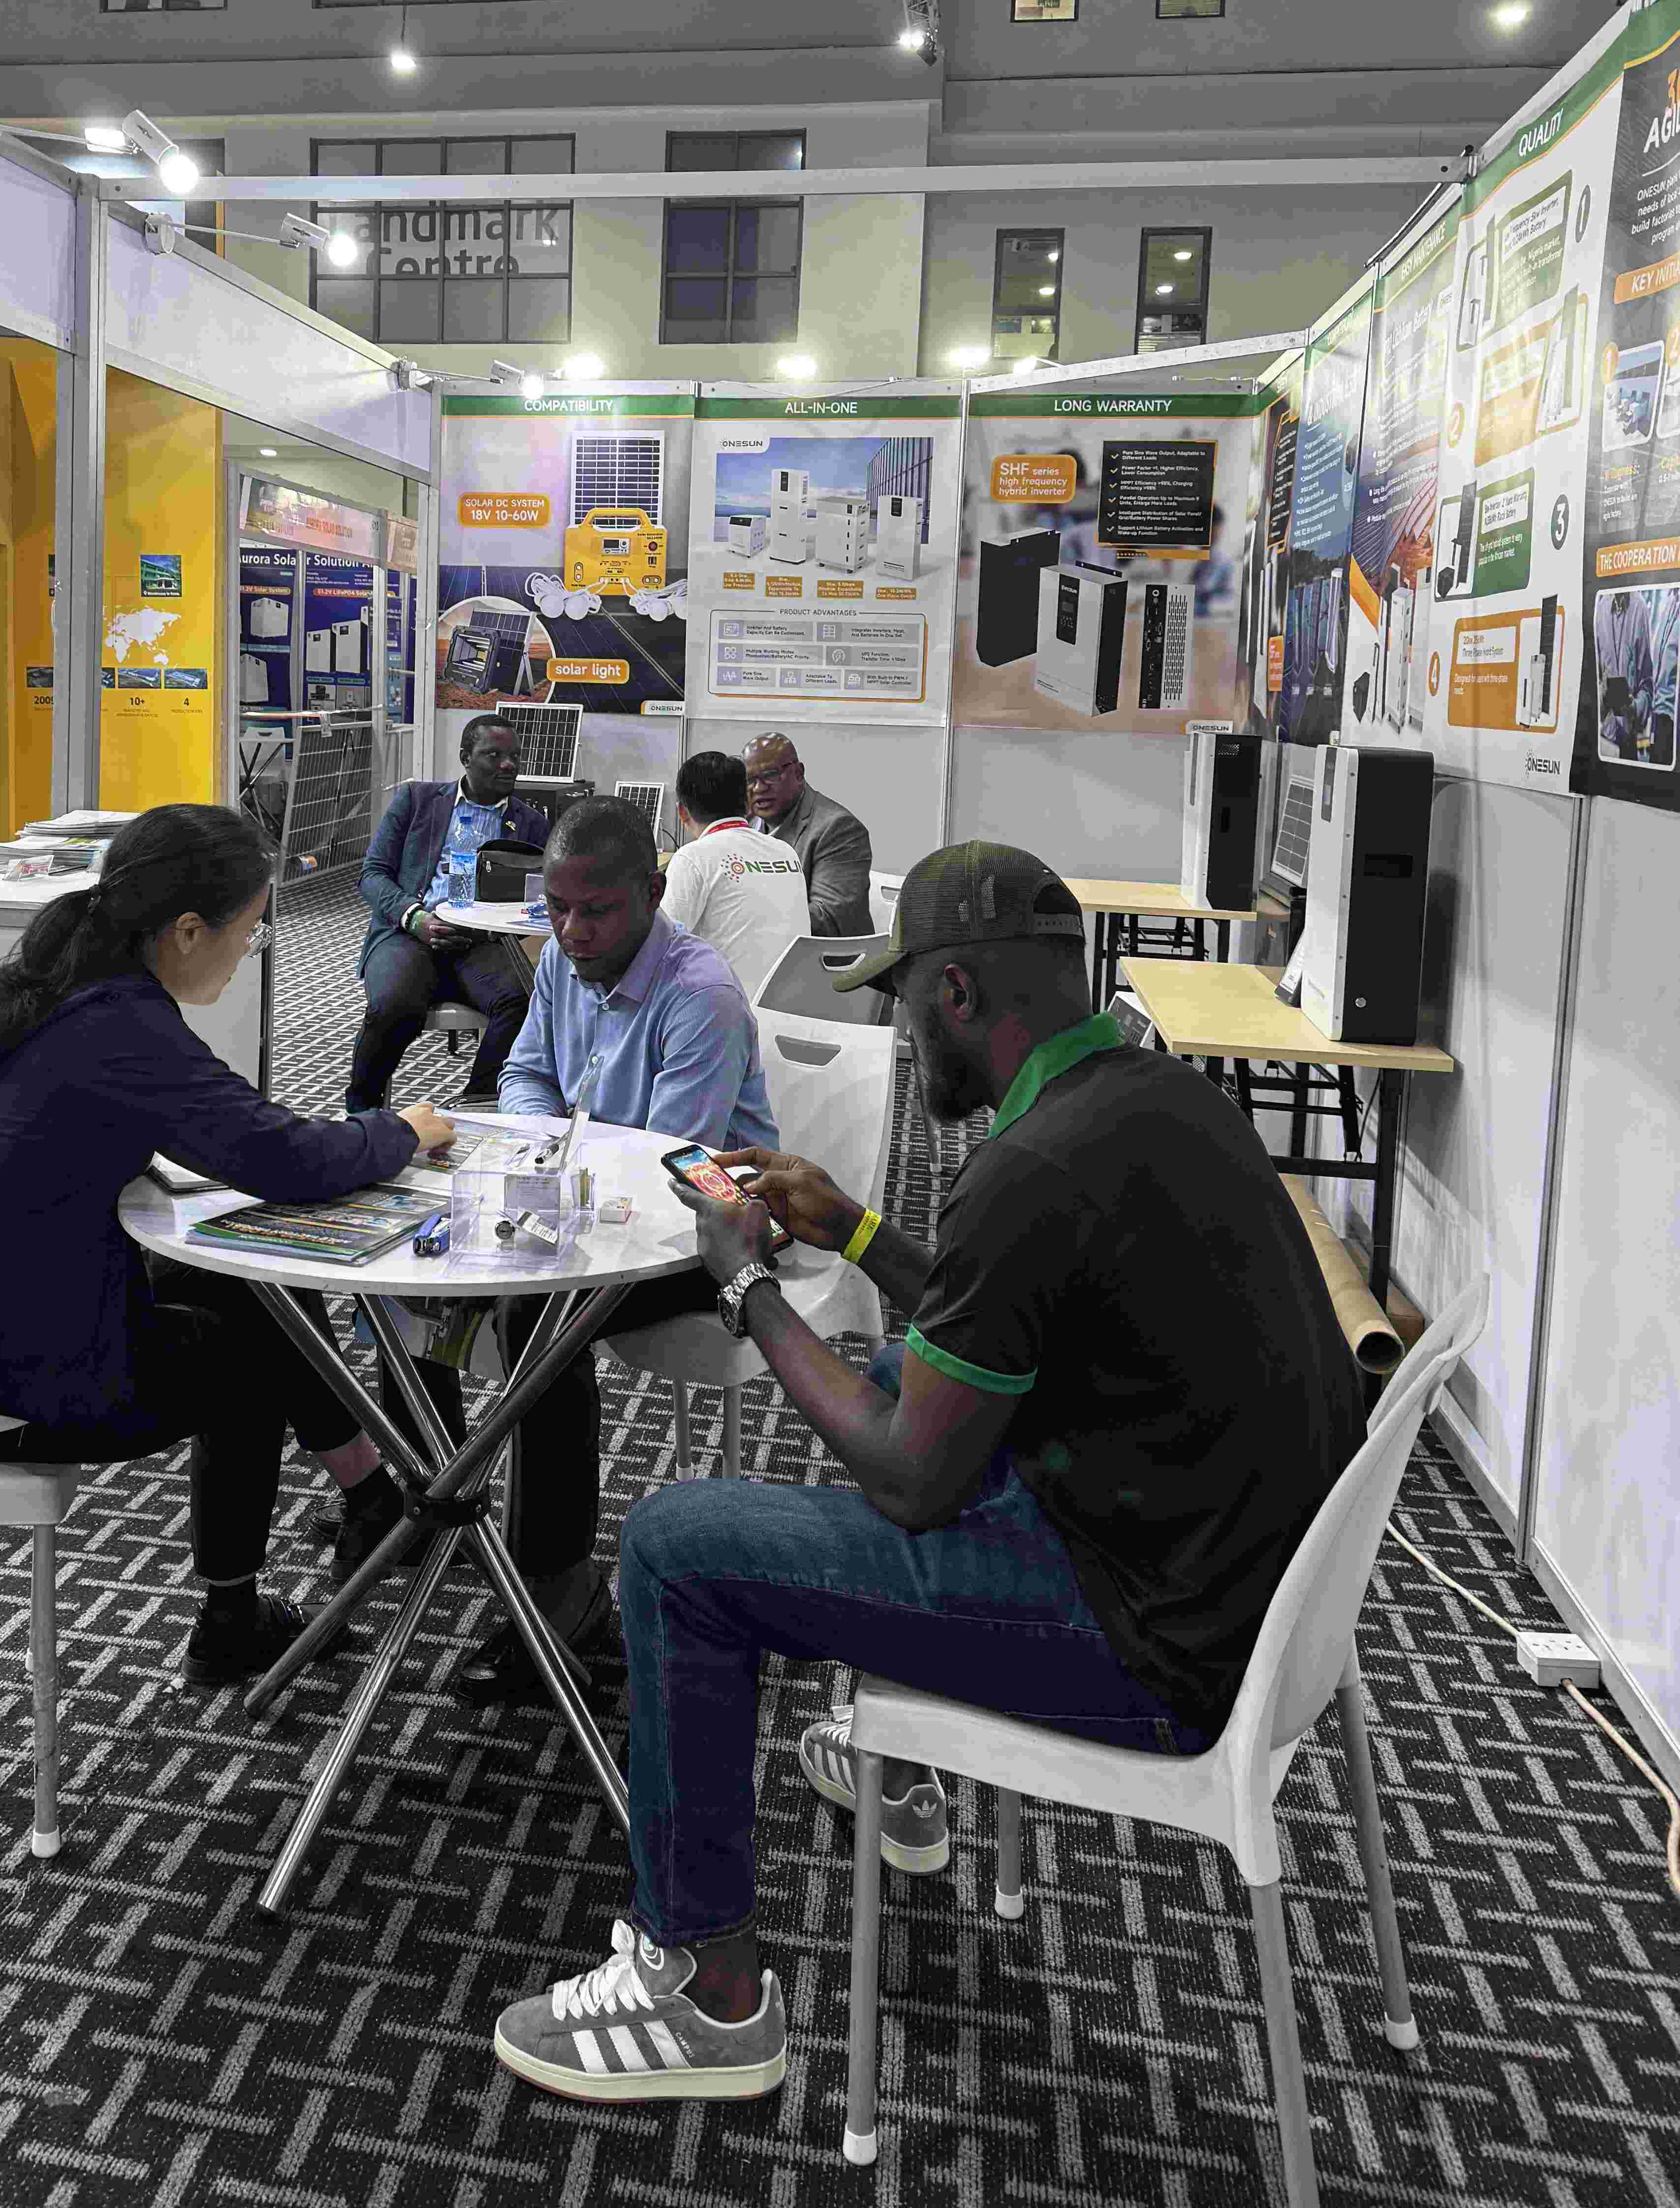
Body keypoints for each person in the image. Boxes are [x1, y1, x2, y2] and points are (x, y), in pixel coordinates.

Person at [492, 839, 1364, 2105]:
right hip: (1234, 1588)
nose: (902, 1036)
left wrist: (747, 1286)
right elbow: (995, 1326)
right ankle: (896, 1767)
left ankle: (707, 1992)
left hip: (1155, 1651)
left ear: (957, 993)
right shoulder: (1157, 1097)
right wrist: (852, 1231)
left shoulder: (1028, 1173)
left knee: (677, 1548)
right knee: (907, 1373)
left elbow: (912, 1483)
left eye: (905, 1003)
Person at [0, 804, 457, 1687]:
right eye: (250, 928)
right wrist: (402, 1131)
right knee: (252, 1351)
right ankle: (237, 1618)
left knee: (244, 1283)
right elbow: (284, 1157)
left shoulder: (58, 983)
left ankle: (372, 1498)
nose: (253, 946)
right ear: (188, 931)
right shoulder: (121, 1029)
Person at [458, 796, 778, 1709]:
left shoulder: (699, 996)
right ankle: (434, 1508)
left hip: (704, 1231)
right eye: (556, 908)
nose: (570, 931)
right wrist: (541, 1144)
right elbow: (524, 1072)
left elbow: (665, 1166)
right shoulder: (564, 963)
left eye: (595, 910)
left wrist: (555, 1164)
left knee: (537, 1316)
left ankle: (558, 1596)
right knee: (418, 1283)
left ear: (651, 892)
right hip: (587, 1200)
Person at [348, 717, 551, 1111]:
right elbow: (372, 875)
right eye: (494, 755)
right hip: (410, 932)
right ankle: (363, 1113)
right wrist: (414, 918)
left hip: (483, 943)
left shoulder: (531, 824)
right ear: (465, 758)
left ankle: (477, 1107)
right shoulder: (417, 802)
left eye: (515, 756)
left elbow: (543, 895)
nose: (508, 765)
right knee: (394, 1006)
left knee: (522, 1002)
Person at [659, 749, 809, 1002]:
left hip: (729, 1011)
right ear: (747, 805)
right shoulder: (786, 852)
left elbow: (660, 950)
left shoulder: (693, 858)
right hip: (794, 1008)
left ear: (682, 813)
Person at [741, 733, 873, 938]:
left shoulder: (838, 829)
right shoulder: (745, 823)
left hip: (823, 954)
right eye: (750, 780)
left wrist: (744, 916)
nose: (759, 788)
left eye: (771, 775)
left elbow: (828, 918)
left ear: (799, 773)